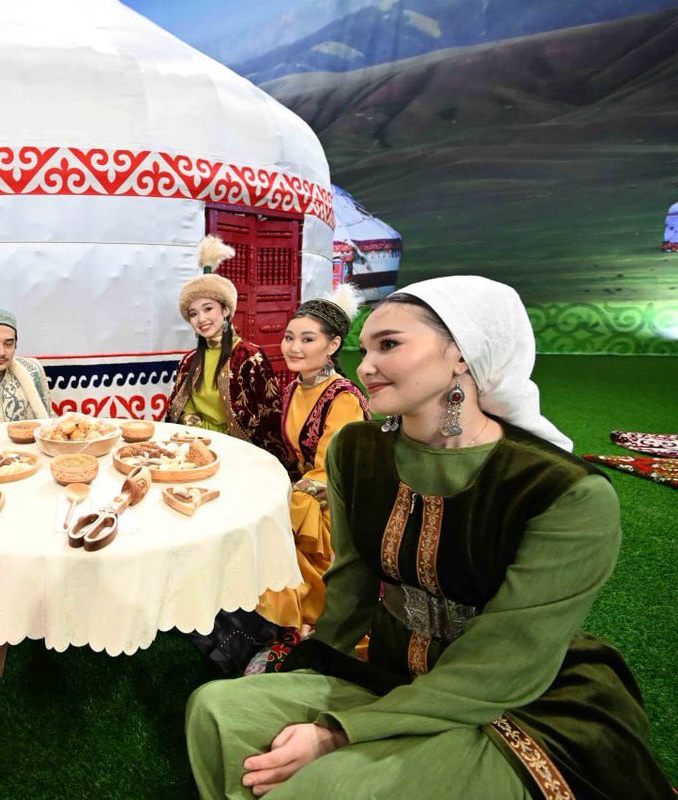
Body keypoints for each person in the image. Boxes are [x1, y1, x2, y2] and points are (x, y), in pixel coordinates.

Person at [185, 276, 670, 798]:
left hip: (519, 698)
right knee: (217, 711)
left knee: (331, 782)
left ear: (461, 354)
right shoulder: (358, 450)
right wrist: (311, 664)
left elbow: (506, 660)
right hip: (390, 672)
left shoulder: (562, 491)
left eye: (389, 344)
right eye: (366, 348)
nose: (366, 366)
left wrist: (341, 731)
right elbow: (348, 587)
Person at [251, 284, 370, 665]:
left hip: (334, 503)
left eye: (307, 339)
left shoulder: (342, 397)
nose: (293, 347)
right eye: (289, 337)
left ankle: (294, 624)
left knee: (277, 519)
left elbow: (332, 469)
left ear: (332, 345)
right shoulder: (294, 388)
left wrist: (289, 495)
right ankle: (279, 621)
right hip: (305, 493)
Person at [167, 236, 282, 453]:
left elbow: (270, 419)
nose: (201, 319)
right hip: (195, 445)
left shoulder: (250, 357)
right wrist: (198, 435)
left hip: (239, 450)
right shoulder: (189, 361)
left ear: (226, 310)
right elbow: (179, 410)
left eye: (208, 309)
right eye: (193, 313)